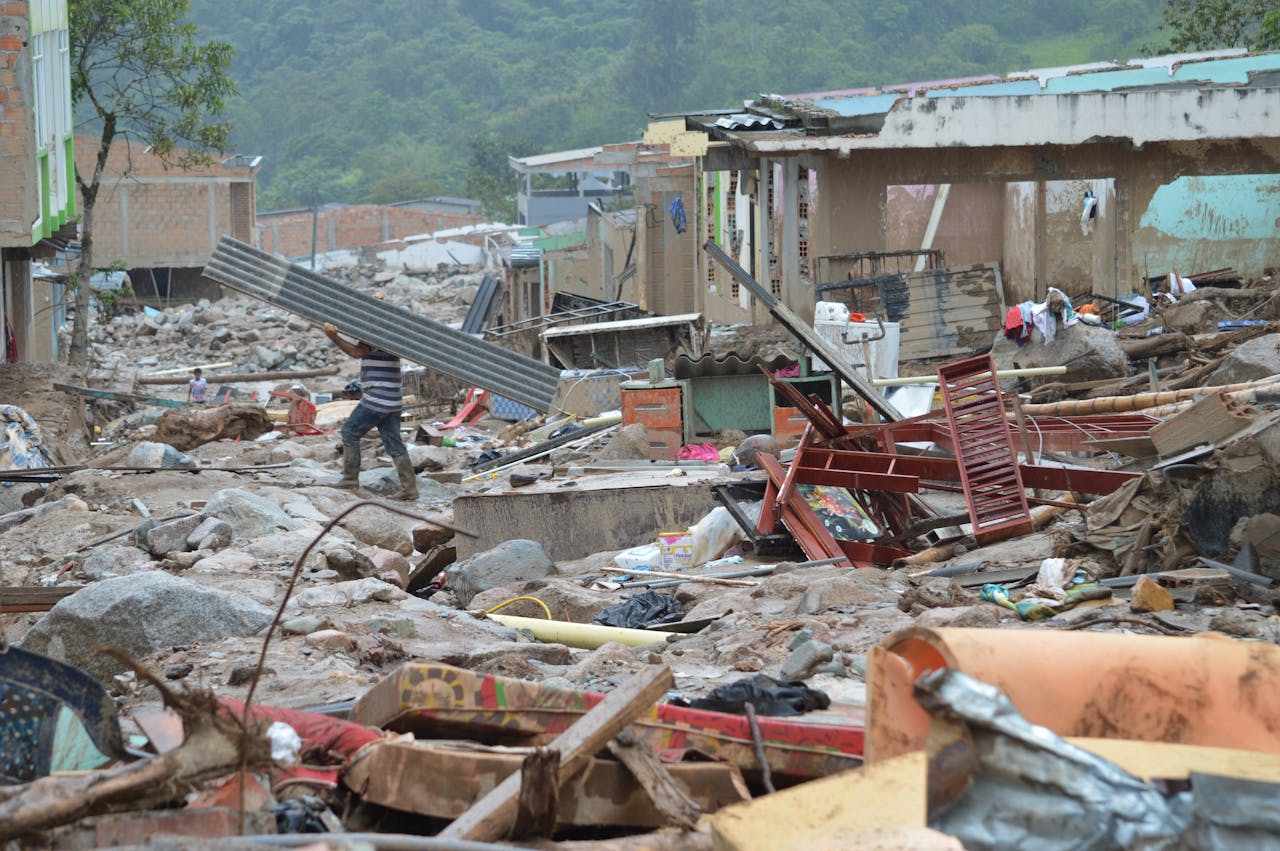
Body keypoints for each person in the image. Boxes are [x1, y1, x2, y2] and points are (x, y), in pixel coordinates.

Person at [322, 323, 417, 500]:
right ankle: (409, 488)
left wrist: (333, 336)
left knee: (349, 432)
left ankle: (350, 479)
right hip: (394, 399)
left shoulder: (373, 330)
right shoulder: (392, 333)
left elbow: (357, 352)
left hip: (377, 398)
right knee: (394, 444)